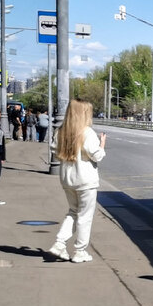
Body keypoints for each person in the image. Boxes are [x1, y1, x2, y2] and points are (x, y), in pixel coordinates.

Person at [46, 99, 107, 263]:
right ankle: (80, 251)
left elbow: (54, 150)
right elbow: (97, 156)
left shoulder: (61, 131)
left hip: (67, 179)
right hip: (86, 181)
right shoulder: (87, 133)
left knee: (73, 212)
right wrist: (102, 145)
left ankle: (59, 243)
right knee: (84, 216)